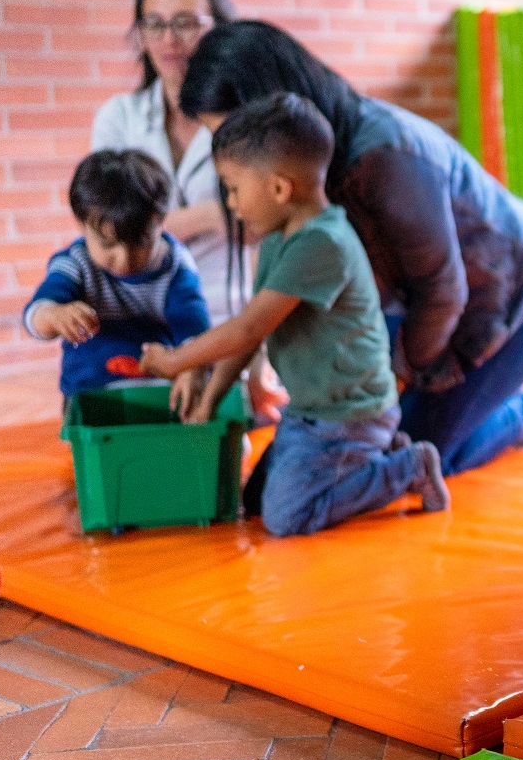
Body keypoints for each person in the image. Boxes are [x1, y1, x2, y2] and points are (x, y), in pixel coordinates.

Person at [179, 20, 523, 481]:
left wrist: (397, 379)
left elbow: (442, 290)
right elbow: (272, 304)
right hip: (419, 306)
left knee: (414, 451)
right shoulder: (294, 184)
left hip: (510, 298)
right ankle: (481, 409)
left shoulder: (384, 156)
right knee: (370, 439)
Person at [140, 93, 451, 536]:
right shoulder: (278, 238)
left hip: (347, 415)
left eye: (233, 188)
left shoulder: (321, 244)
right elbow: (251, 333)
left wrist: (175, 361)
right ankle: (373, 458)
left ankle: (406, 468)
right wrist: (209, 399)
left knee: (286, 517)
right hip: (309, 411)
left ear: (280, 189)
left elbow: (247, 328)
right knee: (251, 502)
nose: (230, 203)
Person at [91, 0, 236, 318]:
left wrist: (157, 225)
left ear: (218, 30)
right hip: (142, 316)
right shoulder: (118, 118)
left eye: (186, 23)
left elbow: (266, 225)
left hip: (235, 315)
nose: (169, 39)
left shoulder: (246, 117)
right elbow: (110, 227)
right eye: (154, 24)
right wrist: (215, 215)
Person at [24, 149, 210, 409]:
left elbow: (193, 327)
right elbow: (36, 314)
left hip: (160, 392)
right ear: (80, 224)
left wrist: (193, 367)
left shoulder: (175, 264)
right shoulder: (75, 263)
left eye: (140, 243)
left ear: (160, 221)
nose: (124, 259)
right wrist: (54, 315)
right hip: (90, 391)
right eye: (108, 244)